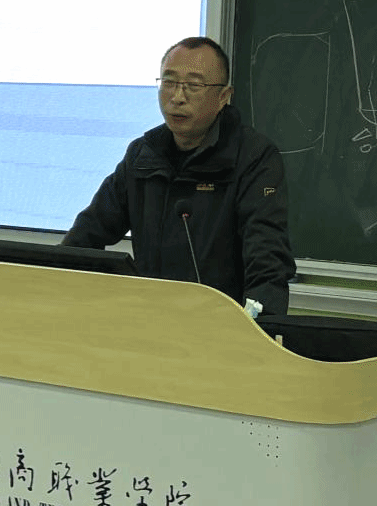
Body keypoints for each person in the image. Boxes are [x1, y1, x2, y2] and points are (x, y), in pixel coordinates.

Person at [62, 36, 295, 317]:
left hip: (220, 325)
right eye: (169, 82)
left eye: (193, 86)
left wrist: (260, 326)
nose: (177, 97)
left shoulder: (253, 158)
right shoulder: (143, 155)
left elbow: (267, 260)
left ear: (223, 97)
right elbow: (88, 233)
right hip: (147, 319)